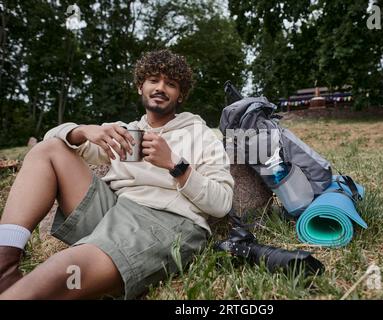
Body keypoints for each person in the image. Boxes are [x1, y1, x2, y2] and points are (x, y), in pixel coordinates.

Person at [0, 49, 234, 299]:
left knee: (64, 272)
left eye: (171, 84)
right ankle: (5, 268)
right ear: (140, 87)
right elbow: (50, 141)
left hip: (163, 223)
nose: (160, 88)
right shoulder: (126, 132)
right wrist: (83, 132)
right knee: (48, 150)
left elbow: (221, 203)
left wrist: (175, 164)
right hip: (111, 211)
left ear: (180, 96)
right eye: (153, 80)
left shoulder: (201, 135)